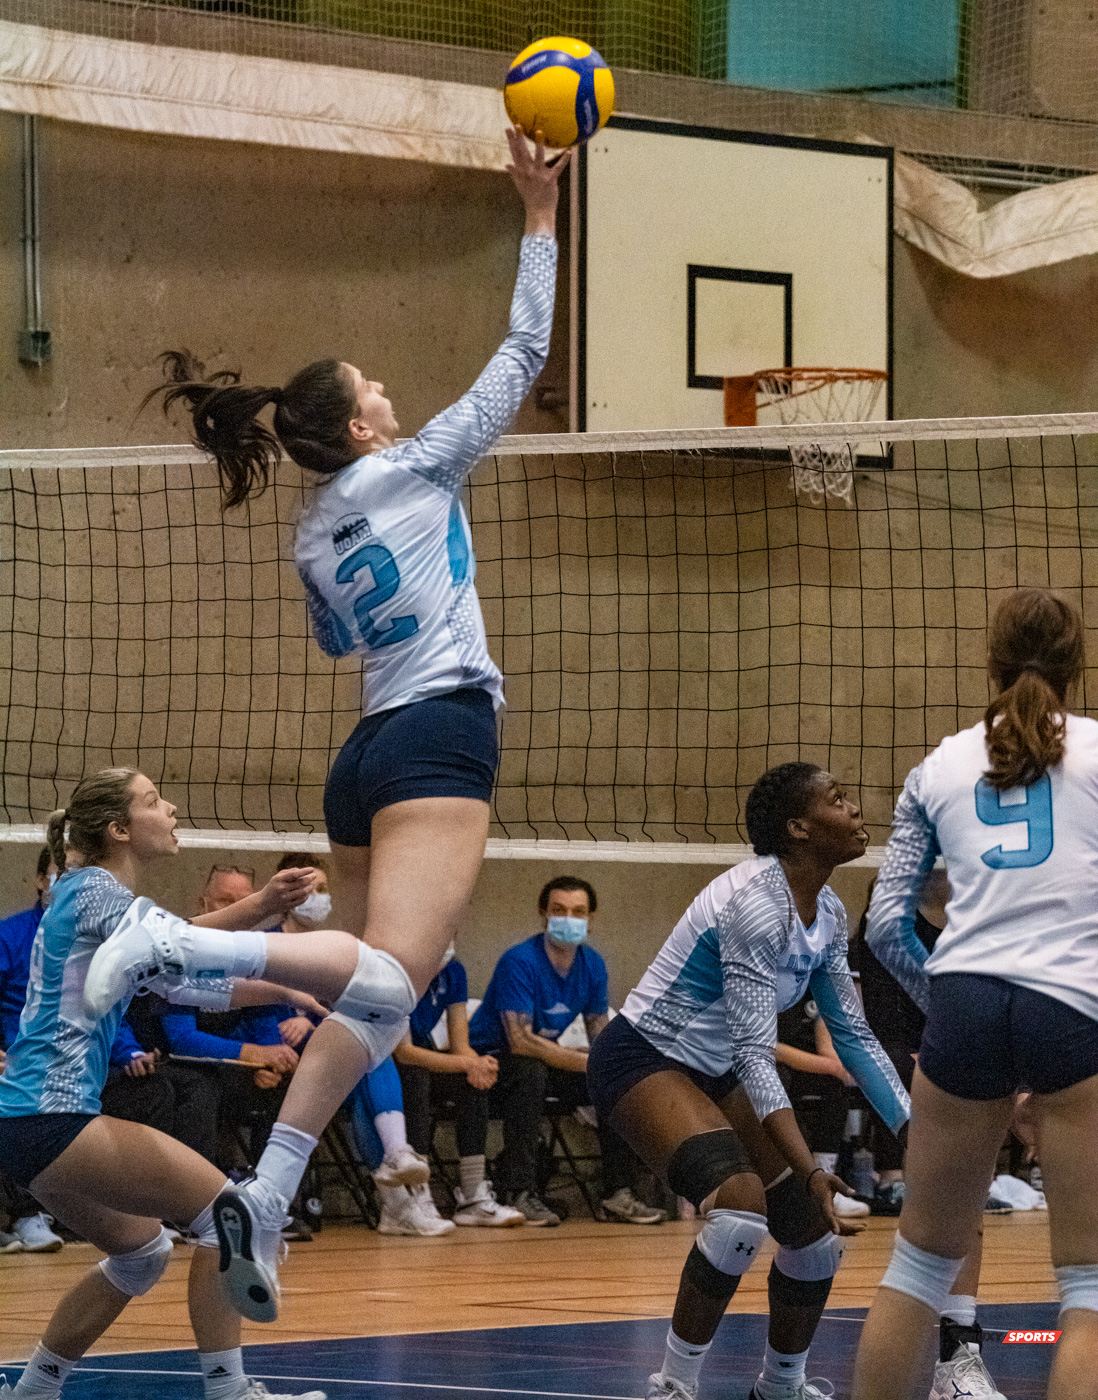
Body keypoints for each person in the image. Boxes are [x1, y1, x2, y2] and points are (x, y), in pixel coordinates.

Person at [132, 130, 569, 1296]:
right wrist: (537, 214)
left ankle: (265, 1192)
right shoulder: (418, 467)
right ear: (364, 427)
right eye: (374, 385)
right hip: (436, 731)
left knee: (374, 993)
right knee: (389, 977)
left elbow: (336, 636)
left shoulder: (314, 530)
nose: (388, 389)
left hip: (367, 753)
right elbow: (525, 351)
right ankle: (183, 949)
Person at [0, 769, 338, 1400]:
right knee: (226, 1214)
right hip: (53, 1114)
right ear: (120, 829)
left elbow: (192, 985)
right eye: (155, 801)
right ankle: (230, 1391)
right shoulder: (92, 890)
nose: (173, 807)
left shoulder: (99, 907)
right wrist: (269, 913)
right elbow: (183, 941)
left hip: (25, 1123)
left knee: (141, 1252)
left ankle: (35, 1389)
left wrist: (297, 988)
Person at [587, 763, 910, 1400]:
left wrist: (916, 1136)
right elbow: (758, 1056)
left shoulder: (828, 909)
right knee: (739, 1209)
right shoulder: (755, 906)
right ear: (798, 828)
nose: (857, 810)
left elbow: (854, 1037)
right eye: (838, 800)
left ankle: (780, 1387)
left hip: (718, 1069)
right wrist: (810, 1167)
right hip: (642, 1057)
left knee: (814, 1243)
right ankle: (674, 1385)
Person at [851, 587, 1098, 1400]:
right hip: (1074, 1006)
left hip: (963, 999)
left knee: (918, 1267)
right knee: (1089, 1294)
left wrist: (954, 1003)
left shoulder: (938, 766)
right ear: (1077, 665)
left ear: (991, 662)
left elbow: (887, 925)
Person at [467, 876, 663, 1227]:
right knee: (530, 1070)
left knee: (613, 1079)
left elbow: (601, 1035)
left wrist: (609, 1062)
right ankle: (519, 1191)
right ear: (543, 913)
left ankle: (617, 1193)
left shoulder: (592, 965)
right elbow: (520, 1041)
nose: (568, 918)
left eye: (577, 911)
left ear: (591, 917)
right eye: (559, 910)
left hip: (548, 1058)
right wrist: (585, 1061)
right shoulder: (520, 961)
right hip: (492, 1062)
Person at [393, 946, 525, 1227]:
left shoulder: (454, 972)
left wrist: (479, 1066)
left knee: (471, 1079)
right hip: (386, 1062)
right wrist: (468, 1064)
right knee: (417, 1077)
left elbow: (461, 1045)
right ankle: (418, 1193)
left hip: (425, 1056)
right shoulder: (396, 971)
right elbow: (404, 1052)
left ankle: (472, 1195)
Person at [0, 849, 65, 1253]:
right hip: (17, 1055)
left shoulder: (89, 941)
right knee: (20, 1097)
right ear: (40, 881)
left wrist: (128, 1052)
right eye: (59, 874)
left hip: (73, 1061)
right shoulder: (10, 935)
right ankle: (27, 1213)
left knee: (164, 1091)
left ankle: (140, 1211)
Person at [774, 994, 868, 1220]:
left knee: (834, 1085)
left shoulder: (817, 984)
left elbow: (828, 1051)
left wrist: (839, 1067)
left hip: (803, 1064)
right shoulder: (762, 984)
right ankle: (778, 1188)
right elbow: (768, 1048)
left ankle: (825, 1182)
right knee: (775, 1081)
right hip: (764, 1062)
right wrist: (832, 1067)